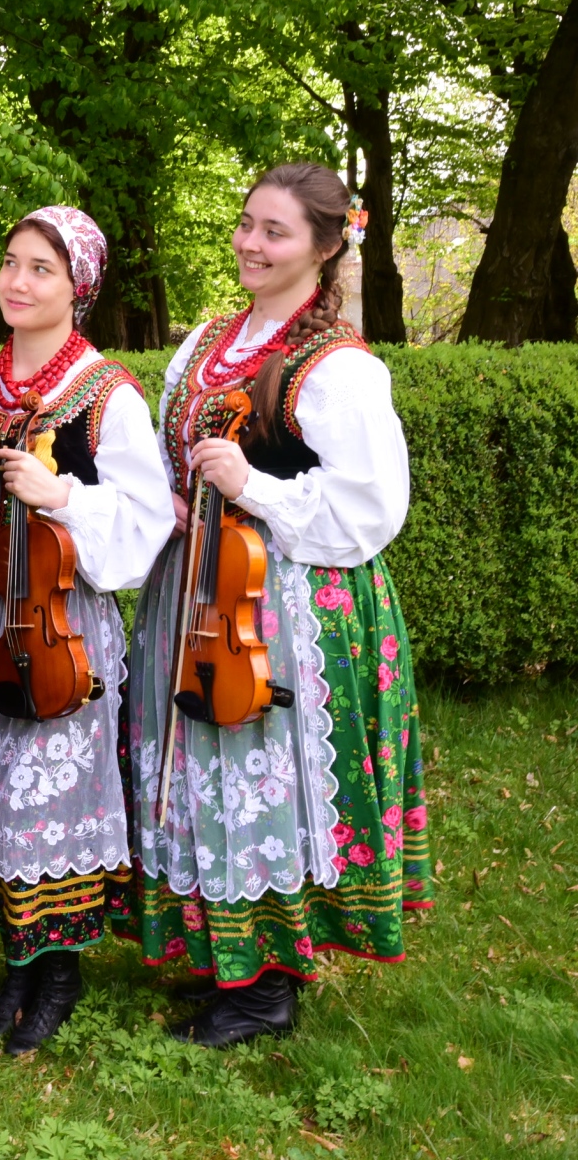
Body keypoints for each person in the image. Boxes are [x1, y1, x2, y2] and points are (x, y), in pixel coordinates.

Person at [118, 162, 432, 1046]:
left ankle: (268, 984)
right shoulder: (208, 341)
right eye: (247, 223)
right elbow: (169, 453)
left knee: (263, 772)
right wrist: (168, 496)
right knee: (203, 766)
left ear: (325, 248)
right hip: (197, 587)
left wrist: (251, 484)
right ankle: (224, 951)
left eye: (275, 231)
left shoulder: (340, 368)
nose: (250, 243)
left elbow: (369, 507)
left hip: (289, 600)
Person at [0, 207, 172, 1054]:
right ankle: (16, 959)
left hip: (55, 617)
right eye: (10, 263)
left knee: (46, 787)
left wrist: (60, 495)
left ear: (79, 289)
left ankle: (57, 971)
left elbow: (145, 522)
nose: (17, 282)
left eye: (41, 269)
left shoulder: (107, 394)